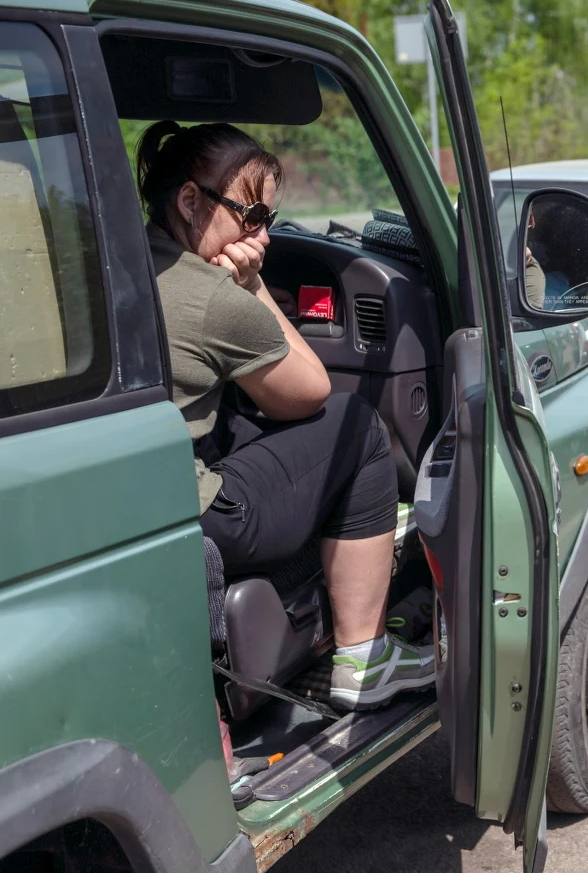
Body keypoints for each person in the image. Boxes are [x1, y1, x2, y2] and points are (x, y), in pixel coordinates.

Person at [136, 120, 432, 713]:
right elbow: (308, 392)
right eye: (252, 217)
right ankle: (364, 656)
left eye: (268, 221)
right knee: (359, 428)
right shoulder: (212, 296)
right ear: (190, 202)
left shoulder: (125, 261)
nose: (263, 236)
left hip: (139, 491)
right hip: (198, 511)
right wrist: (255, 285)